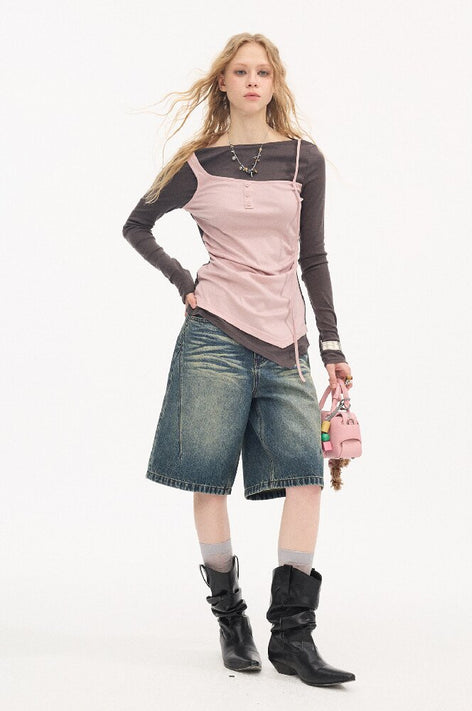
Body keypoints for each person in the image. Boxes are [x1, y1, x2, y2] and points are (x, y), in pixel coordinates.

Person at [122, 32, 356, 687]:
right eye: (240, 71)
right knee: (209, 478)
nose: (253, 81)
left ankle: (292, 637)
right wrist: (183, 281)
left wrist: (331, 344)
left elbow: (314, 256)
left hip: (286, 343)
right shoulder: (196, 166)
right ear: (222, 83)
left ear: (274, 83)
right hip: (213, 339)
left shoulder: (303, 159)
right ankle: (231, 621)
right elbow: (136, 226)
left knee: (305, 477)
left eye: (263, 72)